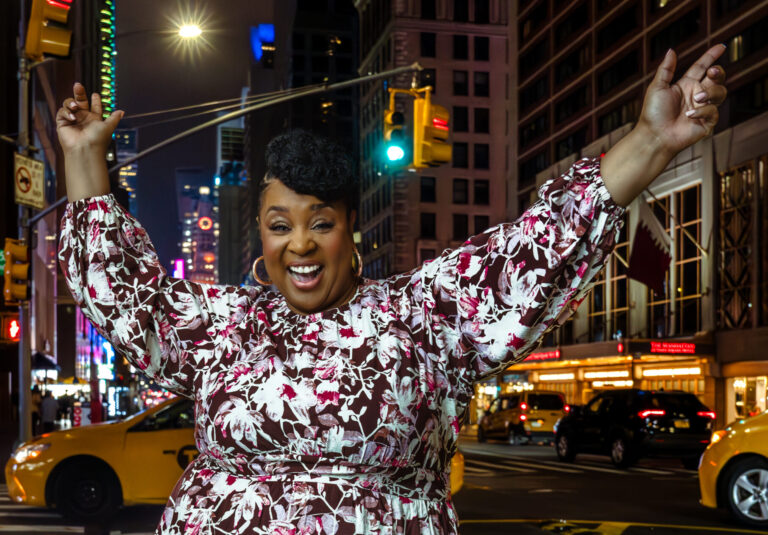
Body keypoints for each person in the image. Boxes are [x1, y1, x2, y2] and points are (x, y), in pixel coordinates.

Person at [56, 46, 727, 534]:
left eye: (321, 222)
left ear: (352, 231)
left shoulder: (421, 315)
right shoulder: (223, 323)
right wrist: (84, 158)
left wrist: (651, 141)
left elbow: (535, 249)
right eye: (279, 225)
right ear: (259, 235)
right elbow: (125, 294)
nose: (299, 244)